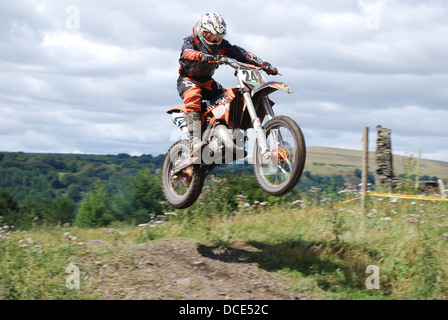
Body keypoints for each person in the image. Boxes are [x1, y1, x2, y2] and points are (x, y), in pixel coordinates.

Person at [170, 12, 278, 155]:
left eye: (219, 36)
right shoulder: (191, 41)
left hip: (208, 82)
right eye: (211, 36)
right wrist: (201, 56)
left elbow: (242, 54)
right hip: (188, 79)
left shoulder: (224, 46)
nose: (215, 40)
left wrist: (263, 64)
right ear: (202, 32)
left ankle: (229, 135)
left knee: (231, 98)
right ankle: (195, 140)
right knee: (193, 93)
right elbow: (186, 53)